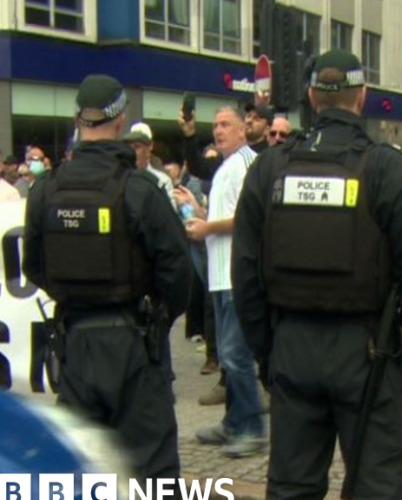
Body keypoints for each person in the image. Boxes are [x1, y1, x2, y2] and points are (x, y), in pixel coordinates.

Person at [231, 49, 402, 499]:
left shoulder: (270, 168)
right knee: (378, 489)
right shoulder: (389, 170)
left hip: (292, 348)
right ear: (363, 97)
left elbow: (245, 275)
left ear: (311, 97)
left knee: (292, 488)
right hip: (369, 354)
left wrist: (268, 354)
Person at [22, 74, 190, 490]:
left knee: (80, 473)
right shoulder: (140, 190)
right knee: (153, 476)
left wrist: (75, 296)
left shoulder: (46, 190)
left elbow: (34, 268)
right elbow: (179, 274)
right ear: (122, 119)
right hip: (134, 344)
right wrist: (159, 318)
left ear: (78, 120)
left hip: (75, 345)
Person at [188, 105, 265, 457]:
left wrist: (208, 227)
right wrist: (200, 213)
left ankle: (252, 429)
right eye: (215, 124)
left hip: (238, 275)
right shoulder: (225, 167)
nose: (217, 130)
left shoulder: (247, 163)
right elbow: (225, 216)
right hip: (219, 275)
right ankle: (234, 422)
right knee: (228, 356)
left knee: (236, 355)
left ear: (242, 130)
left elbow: (250, 217)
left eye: (225, 124)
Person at [123, 122, 178, 211]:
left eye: (137, 147)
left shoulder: (162, 181)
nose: (132, 152)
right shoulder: (120, 178)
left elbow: (171, 213)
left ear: (150, 147)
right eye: (130, 147)